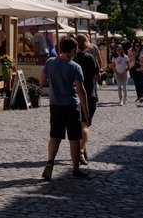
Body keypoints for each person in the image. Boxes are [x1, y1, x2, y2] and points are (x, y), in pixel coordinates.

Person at [40, 36, 90, 180]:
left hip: (55, 105)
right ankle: (75, 169)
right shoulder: (75, 66)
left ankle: (50, 162)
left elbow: (41, 80)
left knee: (55, 136)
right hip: (71, 106)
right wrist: (85, 112)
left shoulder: (50, 62)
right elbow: (81, 90)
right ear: (74, 50)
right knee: (74, 138)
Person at [74, 33, 99, 164]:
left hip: (73, 96)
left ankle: (83, 148)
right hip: (88, 93)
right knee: (85, 124)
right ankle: (81, 151)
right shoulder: (89, 57)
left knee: (79, 125)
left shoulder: (72, 58)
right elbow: (97, 77)